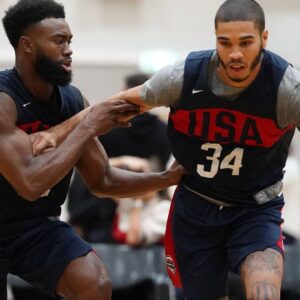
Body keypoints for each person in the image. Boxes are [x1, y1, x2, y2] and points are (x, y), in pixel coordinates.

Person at [101, 0, 300, 299]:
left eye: (246, 43)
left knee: (265, 292)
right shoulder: (185, 77)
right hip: (196, 205)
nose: (235, 53)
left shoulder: (285, 87)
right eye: (225, 42)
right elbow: (109, 108)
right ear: (215, 39)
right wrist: (60, 133)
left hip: (254, 206)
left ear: (264, 39)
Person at [0, 1, 183, 300]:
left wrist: (167, 177)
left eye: (70, 40)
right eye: (59, 41)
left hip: (34, 228)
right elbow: (29, 183)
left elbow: (103, 181)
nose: (69, 49)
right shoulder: (4, 100)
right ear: (27, 45)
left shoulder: (72, 101)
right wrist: (87, 126)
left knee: (93, 282)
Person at [67, 72, 172, 244]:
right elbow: (168, 173)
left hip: (106, 206)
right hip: (145, 205)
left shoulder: (109, 127)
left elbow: (88, 163)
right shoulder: (162, 130)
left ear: (127, 92)